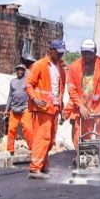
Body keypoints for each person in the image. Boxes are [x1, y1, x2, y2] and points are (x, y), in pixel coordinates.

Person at [64, 38, 100, 163]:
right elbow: (72, 90)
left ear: (95, 52)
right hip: (83, 106)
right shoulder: (74, 67)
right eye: (84, 53)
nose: (86, 56)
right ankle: (85, 161)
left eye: (89, 53)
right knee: (80, 135)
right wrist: (81, 106)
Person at [24, 39, 67, 178]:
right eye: (58, 53)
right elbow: (29, 84)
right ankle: (35, 169)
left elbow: (60, 89)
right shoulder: (39, 65)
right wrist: (35, 98)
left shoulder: (60, 67)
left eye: (62, 53)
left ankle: (42, 166)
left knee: (50, 140)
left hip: (53, 109)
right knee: (42, 138)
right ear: (51, 50)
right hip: (42, 108)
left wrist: (61, 108)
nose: (61, 56)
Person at [5, 63, 31, 153]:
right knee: (11, 129)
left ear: (24, 71)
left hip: (25, 108)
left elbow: (32, 93)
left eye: (22, 70)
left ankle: (33, 149)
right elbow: (10, 96)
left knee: (27, 128)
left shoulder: (28, 81)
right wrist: (6, 109)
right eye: (18, 69)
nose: (20, 71)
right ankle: (10, 150)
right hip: (14, 109)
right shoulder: (13, 81)